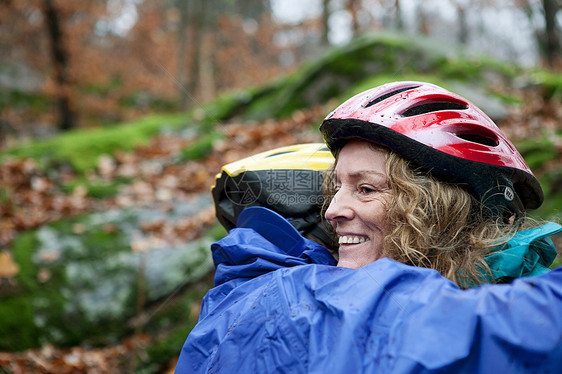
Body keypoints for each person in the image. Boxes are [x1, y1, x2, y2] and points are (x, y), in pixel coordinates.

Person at [175, 81, 562, 373]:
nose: (333, 210)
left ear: (441, 211)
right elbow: (496, 332)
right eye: (337, 188)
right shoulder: (287, 300)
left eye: (364, 189)